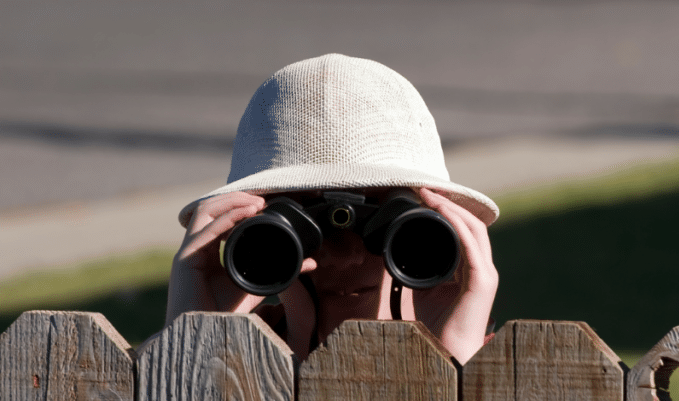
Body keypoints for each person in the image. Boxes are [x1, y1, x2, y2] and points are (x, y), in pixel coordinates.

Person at [166, 54, 499, 364]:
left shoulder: (508, 373)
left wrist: (454, 353)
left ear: (440, 230)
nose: (345, 257)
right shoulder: (224, 357)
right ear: (244, 234)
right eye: (302, 229)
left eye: (389, 227)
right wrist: (192, 343)